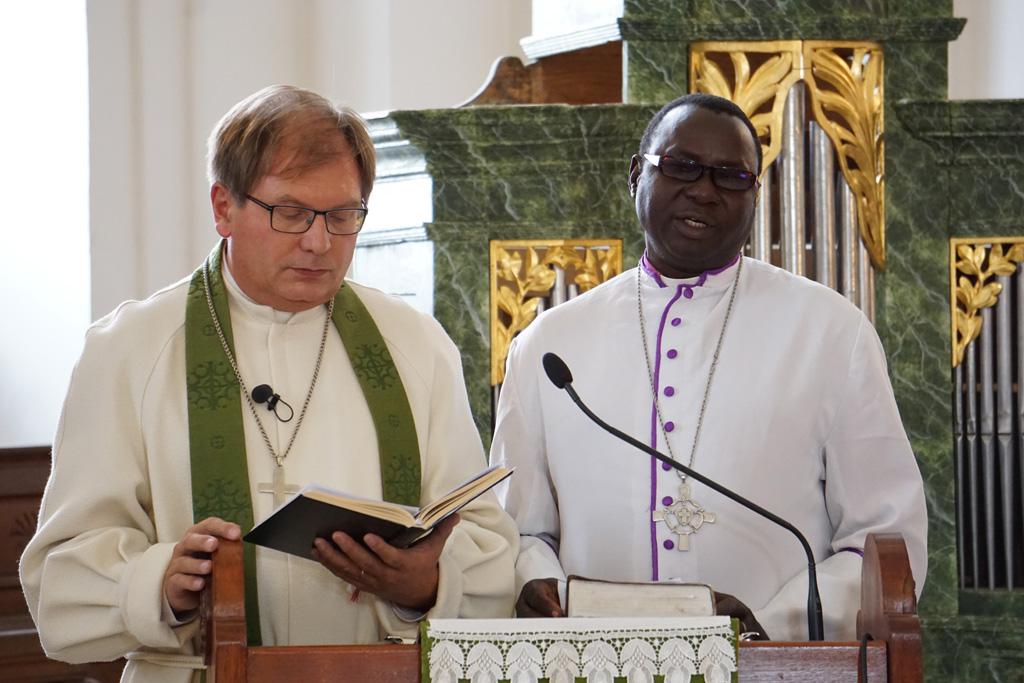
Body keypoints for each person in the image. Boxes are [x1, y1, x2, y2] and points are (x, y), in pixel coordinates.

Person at [21, 85, 517, 681]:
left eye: (342, 215)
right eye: (290, 212)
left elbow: (486, 545)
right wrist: (159, 583)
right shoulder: (128, 350)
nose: (319, 241)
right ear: (223, 207)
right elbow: (61, 580)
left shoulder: (415, 345)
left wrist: (428, 584)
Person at [490, 92, 927, 641]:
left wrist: (771, 624)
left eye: (731, 177)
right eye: (681, 166)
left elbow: (885, 537)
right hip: (591, 661)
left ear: (755, 195)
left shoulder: (833, 333)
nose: (703, 190)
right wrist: (538, 584)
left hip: (773, 668)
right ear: (636, 174)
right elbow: (517, 530)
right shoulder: (548, 345)